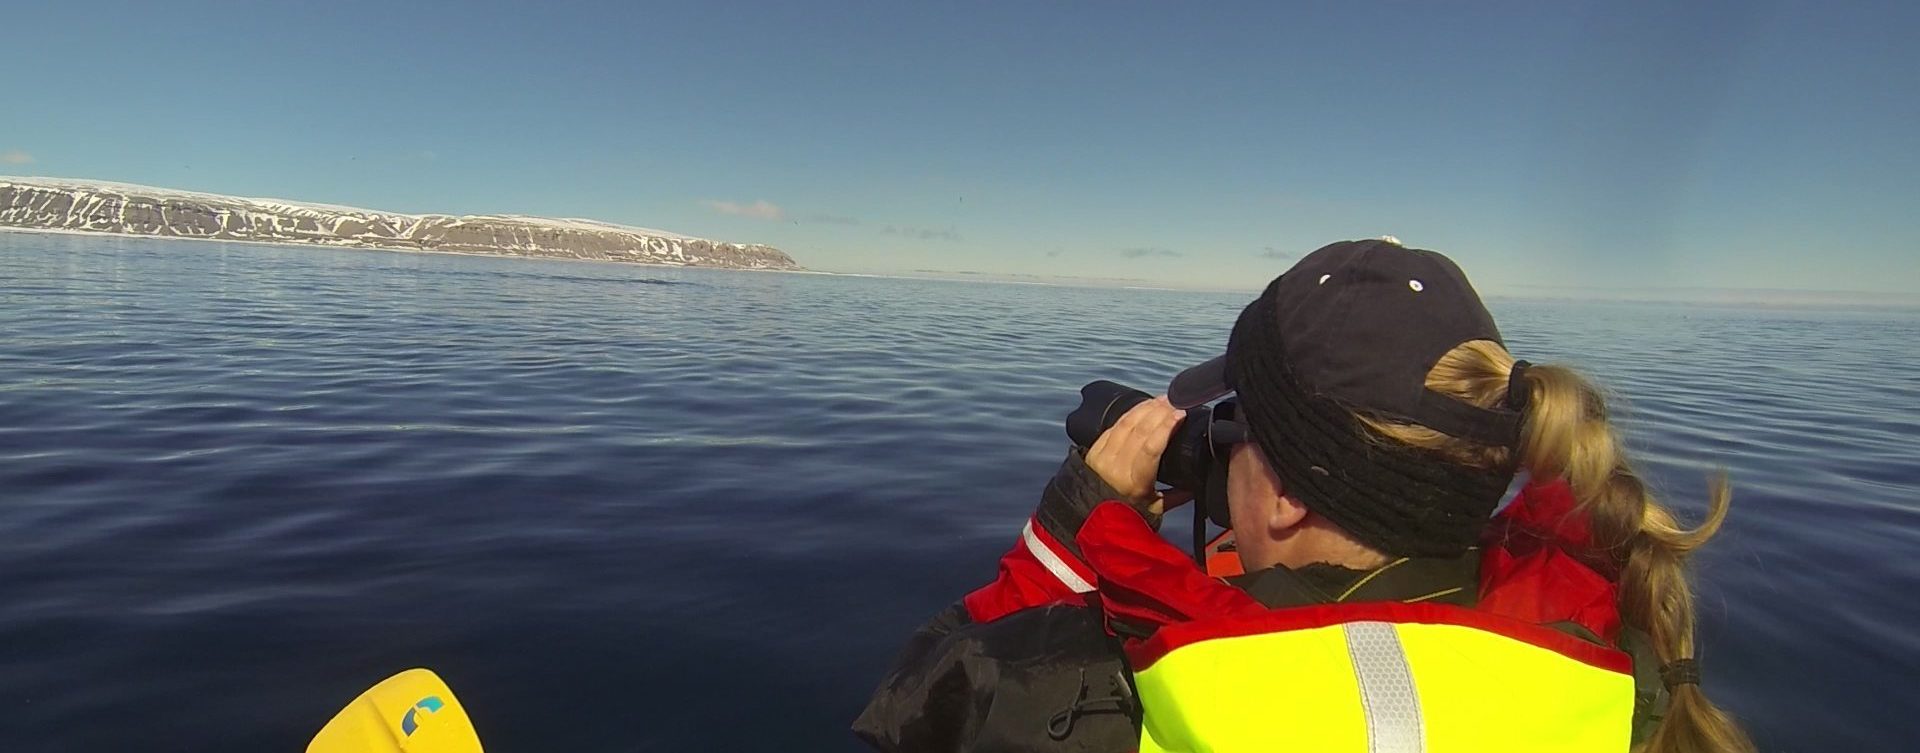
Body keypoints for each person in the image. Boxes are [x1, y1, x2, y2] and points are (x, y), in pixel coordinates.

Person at [853, 239, 1755, 752]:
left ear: (1282, 497)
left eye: (1240, 424)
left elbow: (918, 699)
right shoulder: (1620, 672)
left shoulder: (1100, 693)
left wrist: (1072, 525)